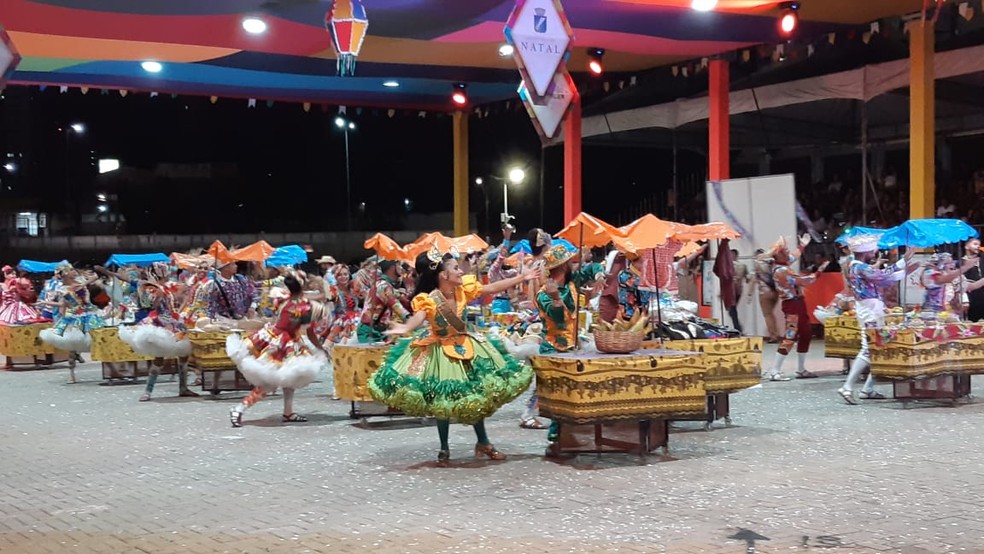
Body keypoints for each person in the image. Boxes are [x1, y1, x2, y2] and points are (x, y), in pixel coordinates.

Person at [368, 247, 538, 466]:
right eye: (456, 268)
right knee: (443, 398)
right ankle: (444, 448)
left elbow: (491, 287)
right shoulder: (428, 299)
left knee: (476, 393)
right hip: (440, 352)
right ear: (443, 274)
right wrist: (404, 328)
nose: (461, 272)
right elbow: (418, 319)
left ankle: (483, 442)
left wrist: (522, 277)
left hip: (467, 345)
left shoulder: (463, 290)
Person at [227, 273, 330, 427]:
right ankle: (239, 408)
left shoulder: (284, 299)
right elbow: (310, 332)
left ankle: (288, 413)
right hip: (285, 343)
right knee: (270, 383)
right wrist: (321, 349)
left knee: (290, 379)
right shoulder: (306, 308)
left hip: (272, 337)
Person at [536, 244, 606, 443]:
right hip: (554, 349)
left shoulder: (572, 281)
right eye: (570, 262)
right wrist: (557, 298)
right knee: (559, 398)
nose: (573, 265)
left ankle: (568, 435)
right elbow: (557, 316)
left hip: (571, 347)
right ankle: (556, 438)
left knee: (571, 395)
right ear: (563, 266)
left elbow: (591, 269)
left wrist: (599, 274)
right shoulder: (543, 294)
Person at [838, 236, 919, 404]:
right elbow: (883, 277)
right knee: (870, 348)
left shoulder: (857, 266)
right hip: (870, 310)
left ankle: (867, 388)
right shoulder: (860, 267)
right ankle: (847, 386)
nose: (874, 253)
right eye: (871, 250)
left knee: (880, 348)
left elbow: (882, 276)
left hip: (870, 308)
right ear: (865, 252)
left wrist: (903, 266)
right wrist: (903, 267)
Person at [118, 281, 197, 401]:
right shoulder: (153, 289)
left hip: (174, 321)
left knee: (184, 354)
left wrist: (180, 310)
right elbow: (146, 304)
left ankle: (183, 387)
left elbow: (180, 301)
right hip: (161, 322)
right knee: (159, 357)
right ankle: (148, 391)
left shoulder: (171, 287)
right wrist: (155, 296)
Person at [766, 237, 826, 381]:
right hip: (792, 305)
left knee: (806, 333)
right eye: (785, 251)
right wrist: (820, 271)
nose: (788, 252)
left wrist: (803, 245)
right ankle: (775, 370)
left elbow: (794, 256)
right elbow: (805, 281)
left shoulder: (782, 264)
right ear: (778, 255)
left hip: (797, 303)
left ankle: (800, 369)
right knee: (790, 336)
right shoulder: (782, 271)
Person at [38, 263, 106, 384]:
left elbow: (95, 276)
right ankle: (72, 374)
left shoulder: (81, 281)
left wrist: (83, 284)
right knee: (71, 347)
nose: (74, 272)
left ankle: (109, 369)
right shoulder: (62, 289)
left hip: (90, 315)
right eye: (70, 270)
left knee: (100, 340)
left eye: (73, 270)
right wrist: (44, 302)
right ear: (65, 274)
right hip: (74, 316)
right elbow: (62, 305)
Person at [356, 260, 410, 343]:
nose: (401, 268)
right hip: (370, 331)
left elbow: (402, 298)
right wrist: (411, 320)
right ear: (392, 267)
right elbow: (396, 306)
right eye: (399, 265)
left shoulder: (386, 285)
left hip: (381, 331)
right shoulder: (383, 286)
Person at [963, 238, 984, 322]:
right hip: (971, 297)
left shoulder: (982, 260)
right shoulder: (961, 262)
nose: (978, 246)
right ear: (966, 246)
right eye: (975, 244)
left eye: (979, 245)